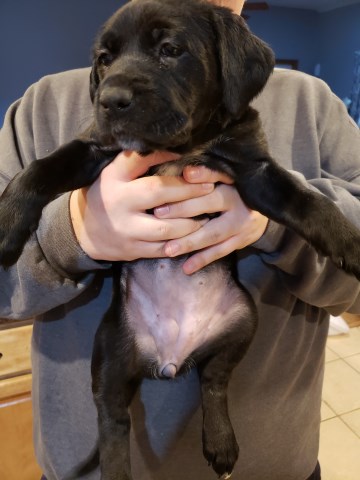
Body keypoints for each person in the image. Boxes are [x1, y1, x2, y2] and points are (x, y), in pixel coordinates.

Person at [0, 0, 359, 479]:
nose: (114, 88)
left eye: (169, 49)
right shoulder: (41, 107)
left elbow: (276, 189)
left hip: (274, 464)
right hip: (82, 466)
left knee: (235, 323)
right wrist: (72, 234)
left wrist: (270, 225)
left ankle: (215, 397)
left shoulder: (311, 107)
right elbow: (59, 173)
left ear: (231, 70)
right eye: (106, 60)